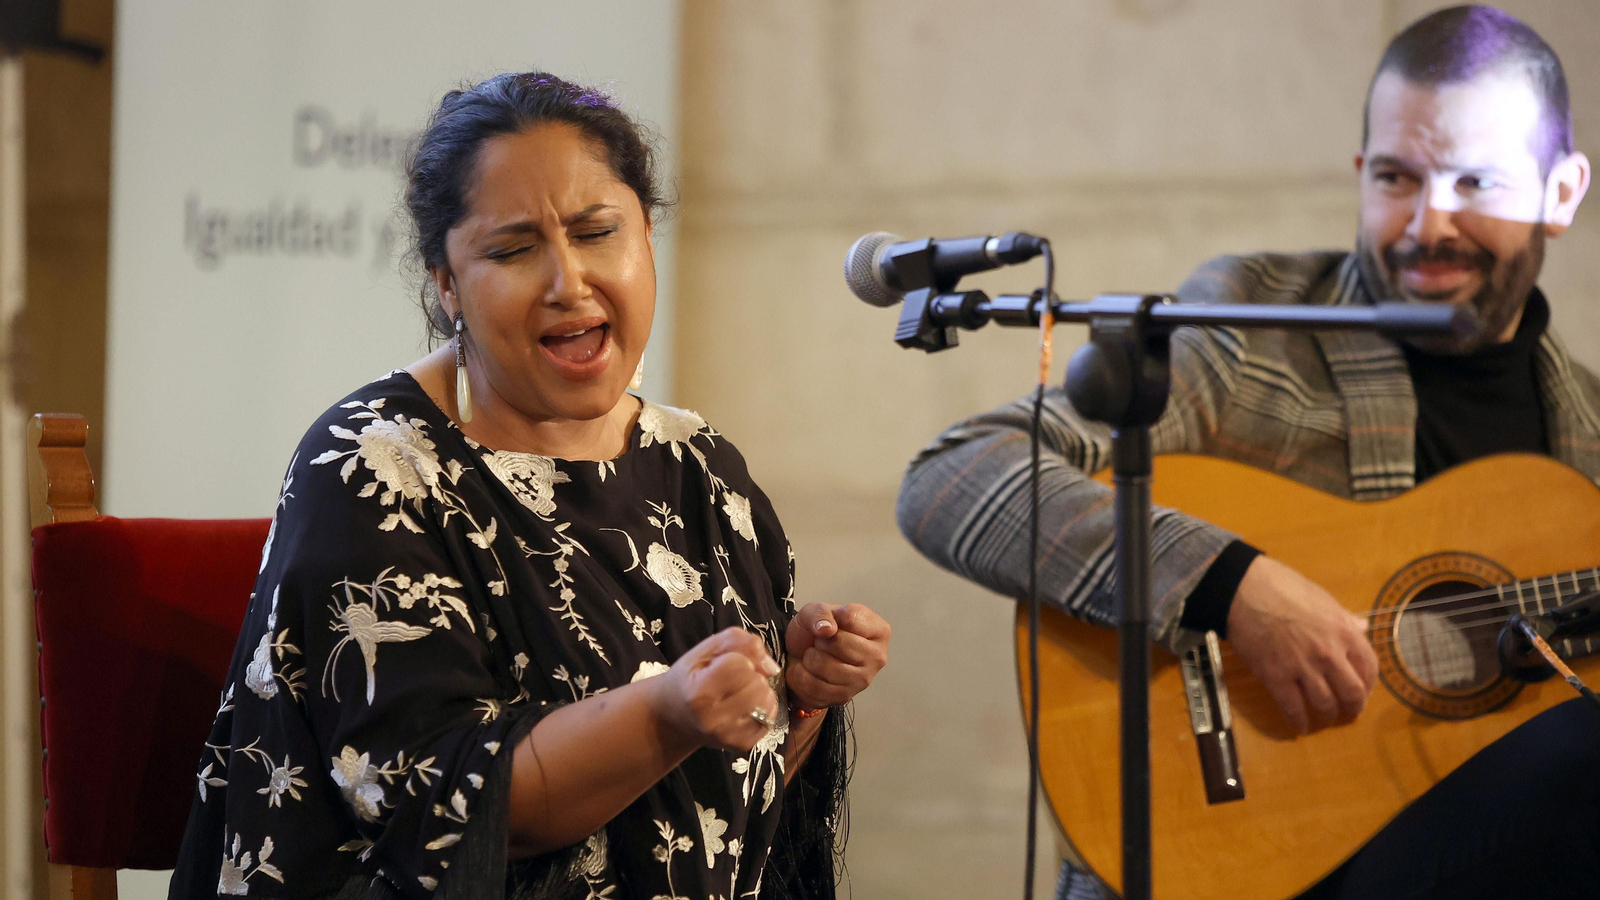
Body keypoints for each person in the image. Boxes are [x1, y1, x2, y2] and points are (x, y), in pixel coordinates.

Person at [896, 6, 1600, 899]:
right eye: (1396, 177)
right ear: (1360, 175)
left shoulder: (1589, 445)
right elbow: (955, 473)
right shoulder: (1255, 328)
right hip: (1250, 862)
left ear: (1563, 192)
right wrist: (1232, 586)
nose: (1431, 223)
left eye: (1476, 181)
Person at [170, 72, 890, 900]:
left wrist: (796, 694)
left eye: (597, 233)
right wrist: (668, 712)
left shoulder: (702, 467)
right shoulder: (373, 466)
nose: (568, 282)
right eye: (514, 250)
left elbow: (735, 809)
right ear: (446, 286)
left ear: (645, 236)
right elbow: (451, 813)